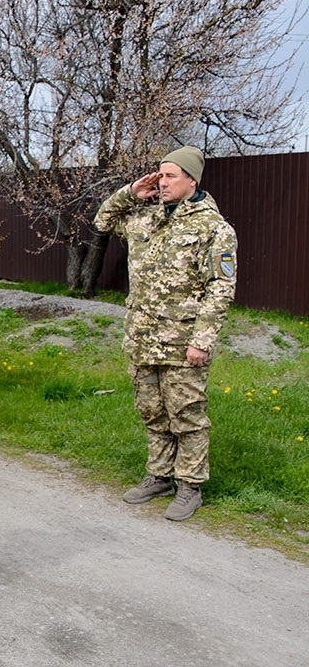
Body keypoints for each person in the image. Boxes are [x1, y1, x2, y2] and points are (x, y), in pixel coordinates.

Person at [94, 146, 237, 521]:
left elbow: (220, 289)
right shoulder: (145, 219)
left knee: (187, 415)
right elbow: (102, 221)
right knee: (152, 411)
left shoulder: (214, 228)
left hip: (183, 342)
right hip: (142, 337)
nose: (163, 181)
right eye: (160, 174)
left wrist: (202, 342)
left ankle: (190, 486)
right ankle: (160, 475)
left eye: (171, 175)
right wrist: (130, 193)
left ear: (192, 180)